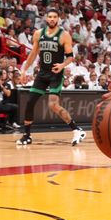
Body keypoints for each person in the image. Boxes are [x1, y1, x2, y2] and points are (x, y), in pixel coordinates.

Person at [17, 9, 85, 146]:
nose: (52, 19)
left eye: (55, 17)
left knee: (53, 105)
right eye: (50, 17)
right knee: (30, 102)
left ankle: (77, 130)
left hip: (56, 73)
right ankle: (27, 135)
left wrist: (62, 65)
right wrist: (23, 70)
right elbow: (33, 54)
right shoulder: (38, 34)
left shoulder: (64, 35)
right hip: (42, 73)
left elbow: (71, 57)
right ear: (46, 19)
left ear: (58, 19)